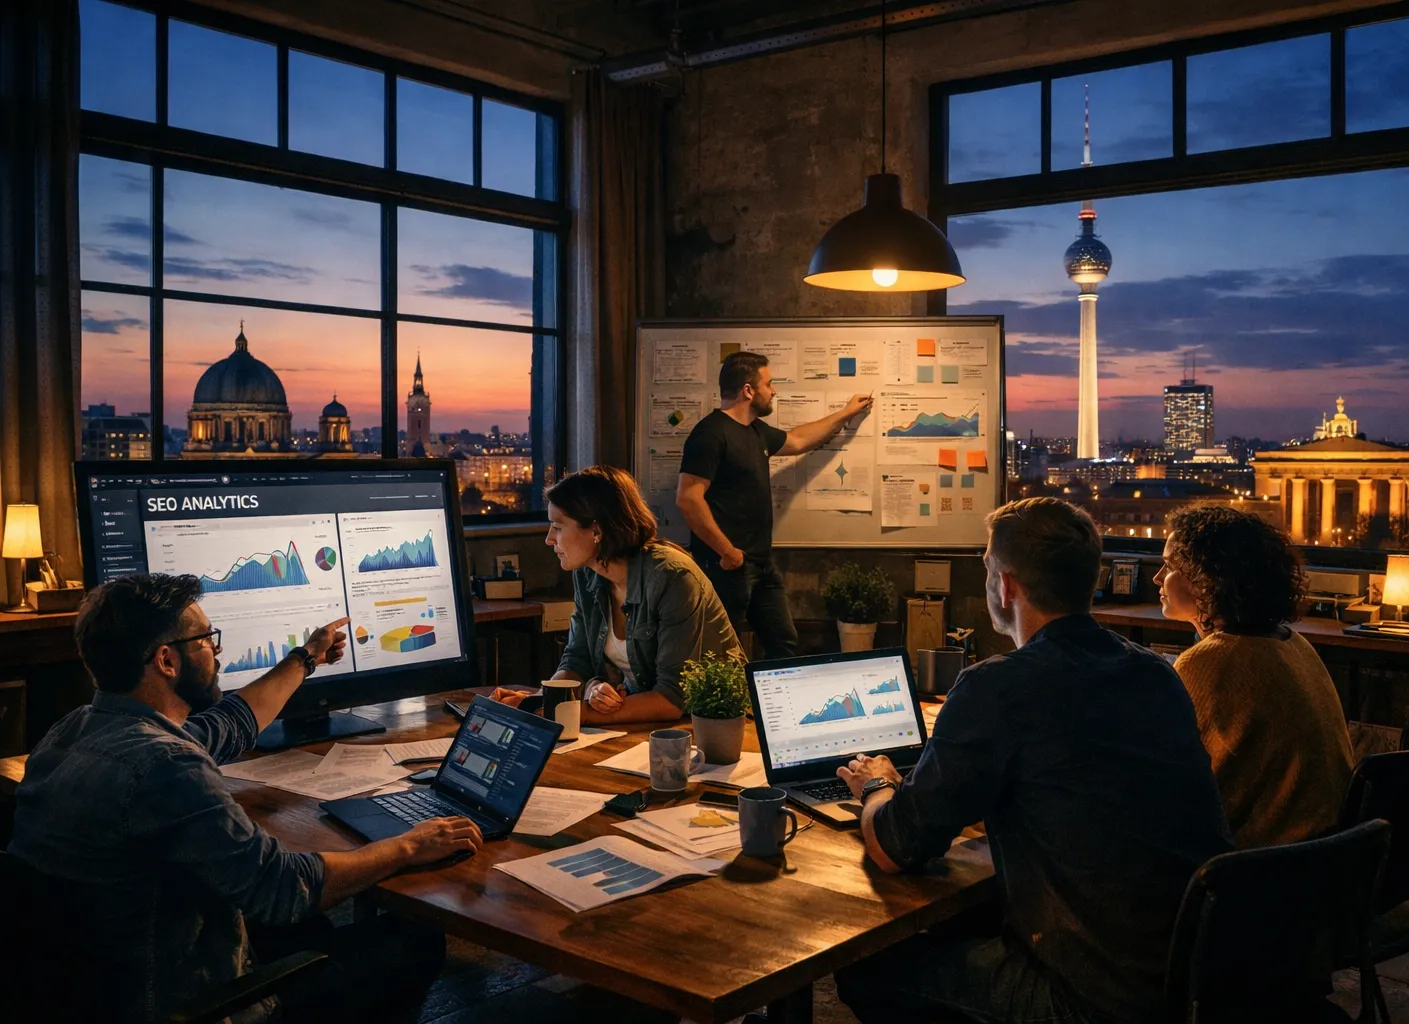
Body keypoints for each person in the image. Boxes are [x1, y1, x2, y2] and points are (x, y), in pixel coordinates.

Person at [8, 574, 482, 1023]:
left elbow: (229, 724)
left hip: (89, 991)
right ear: (167, 661)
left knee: (310, 933)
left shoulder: (72, 731)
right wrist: (409, 845)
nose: (218, 653)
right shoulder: (167, 768)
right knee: (414, 940)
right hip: (186, 1004)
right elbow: (285, 889)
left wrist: (307, 657)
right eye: (206, 640)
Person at [833, 497, 1232, 1024]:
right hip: (1192, 976)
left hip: (1089, 997)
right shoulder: (1156, 673)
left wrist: (877, 785)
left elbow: (894, 848)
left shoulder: (996, 687)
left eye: (987, 569)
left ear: (1006, 586)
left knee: (864, 963)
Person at [1154, 503, 1354, 849]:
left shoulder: (1210, 660)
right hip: (1329, 858)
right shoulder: (1294, 644)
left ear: (1208, 579)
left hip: (1262, 869)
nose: (1157, 577)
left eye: (1169, 566)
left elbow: (1170, 779)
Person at [495, 465, 742, 725]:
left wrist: (561, 714)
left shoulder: (673, 576)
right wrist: (539, 701)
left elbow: (671, 699)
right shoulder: (587, 570)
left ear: (597, 531)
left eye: (557, 527)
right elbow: (578, 659)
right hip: (644, 722)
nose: (548, 539)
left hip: (713, 726)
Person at [677, 351, 872, 658]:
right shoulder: (710, 434)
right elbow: (688, 498)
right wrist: (727, 552)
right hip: (726, 566)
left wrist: (845, 413)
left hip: (761, 563)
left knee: (784, 644)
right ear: (748, 390)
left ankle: (776, 706)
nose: (774, 391)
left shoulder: (755, 431)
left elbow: (797, 440)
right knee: (720, 652)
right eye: (769, 384)